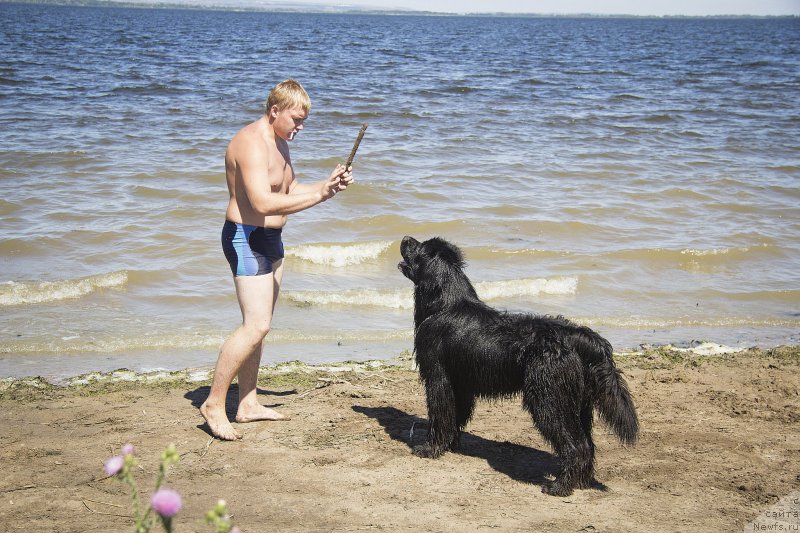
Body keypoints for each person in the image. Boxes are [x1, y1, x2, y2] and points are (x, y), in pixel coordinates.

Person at [200, 79, 353, 440]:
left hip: (272, 239)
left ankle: (248, 403)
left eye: (304, 122)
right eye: (296, 120)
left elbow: (289, 189)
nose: (300, 127)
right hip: (245, 237)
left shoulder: (280, 141)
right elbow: (262, 203)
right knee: (255, 326)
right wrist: (319, 195)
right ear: (274, 111)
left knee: (261, 326)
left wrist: (326, 187)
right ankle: (214, 403)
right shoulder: (251, 143)